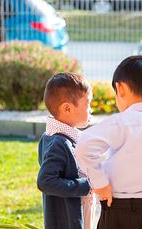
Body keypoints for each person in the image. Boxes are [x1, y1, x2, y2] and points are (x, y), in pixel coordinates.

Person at [76, 55, 142, 229]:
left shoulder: (122, 122)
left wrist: (100, 183)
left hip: (118, 209)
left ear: (120, 88)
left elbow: (85, 146)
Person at [37, 72, 94, 229]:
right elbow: (45, 181)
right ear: (67, 108)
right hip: (70, 219)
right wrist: (86, 186)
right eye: (87, 104)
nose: (91, 110)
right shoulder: (59, 142)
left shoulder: (50, 137)